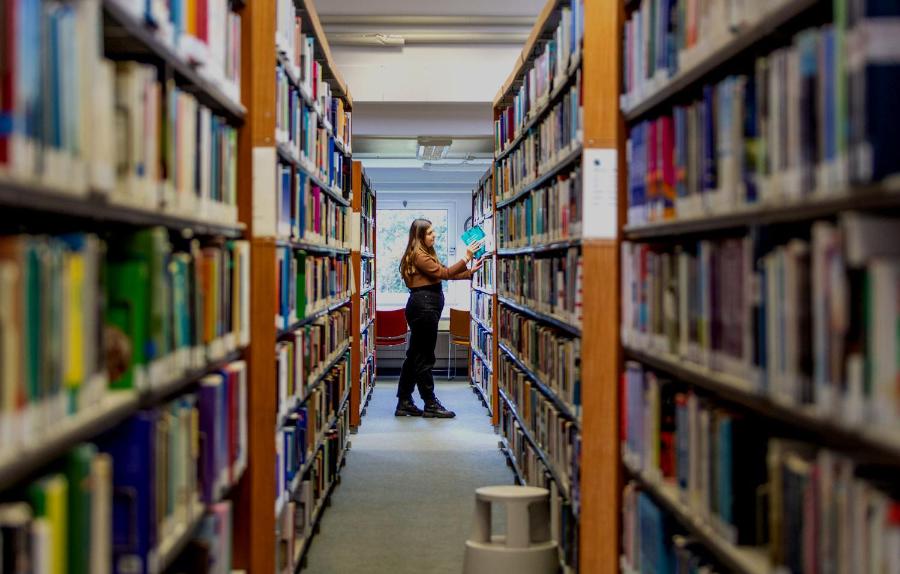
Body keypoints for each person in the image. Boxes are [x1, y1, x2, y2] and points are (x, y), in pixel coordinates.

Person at [395, 218, 484, 418]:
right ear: (419, 236)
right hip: (424, 308)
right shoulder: (419, 255)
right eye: (429, 233)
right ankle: (430, 403)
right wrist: (466, 258)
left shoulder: (425, 254)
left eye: (433, 232)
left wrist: (469, 272)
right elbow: (444, 273)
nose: (434, 235)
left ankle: (404, 401)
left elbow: (444, 274)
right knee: (425, 357)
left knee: (414, 356)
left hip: (424, 306)